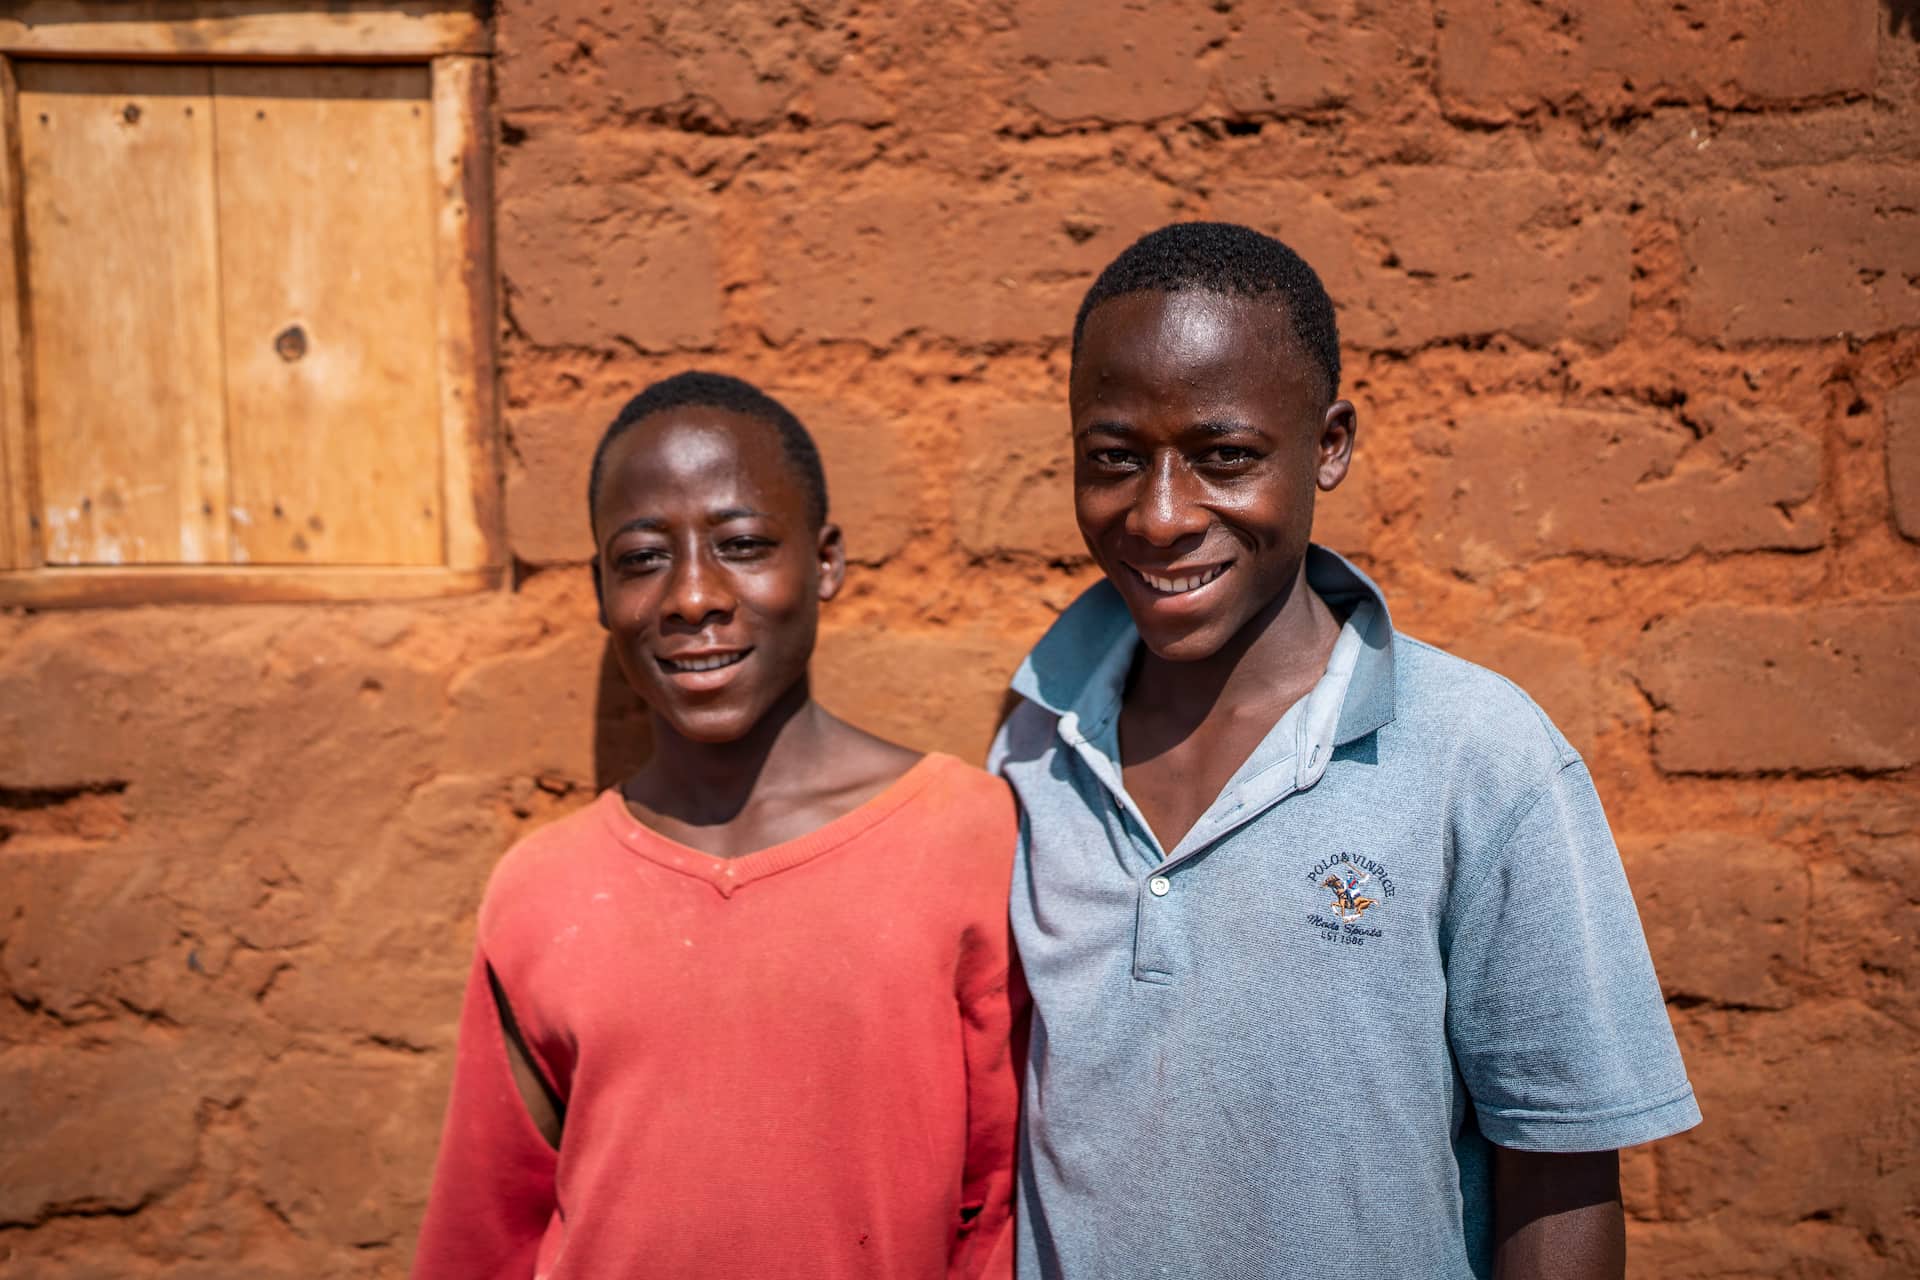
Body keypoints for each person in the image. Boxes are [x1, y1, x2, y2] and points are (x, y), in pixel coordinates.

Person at [989, 222, 1700, 1279]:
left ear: (1328, 444)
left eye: (1225, 456)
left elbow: (1557, 1180)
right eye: (1115, 459)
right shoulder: (1037, 739)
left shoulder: (1479, 755)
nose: (1162, 513)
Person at [415, 372, 1022, 1280]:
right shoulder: (541, 894)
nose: (692, 596)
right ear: (598, 589)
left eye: (740, 544)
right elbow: (488, 1229)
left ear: (824, 562)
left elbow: (1007, 1199)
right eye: (642, 558)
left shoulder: (966, 840)